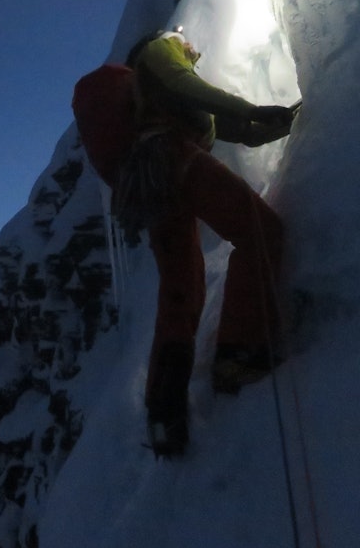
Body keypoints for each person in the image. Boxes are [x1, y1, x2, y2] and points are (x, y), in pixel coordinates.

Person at [121, 27, 296, 458]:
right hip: (174, 159)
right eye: (182, 35)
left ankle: (164, 412)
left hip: (152, 180)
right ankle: (238, 353)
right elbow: (188, 86)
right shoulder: (159, 52)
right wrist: (253, 107)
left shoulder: (160, 98)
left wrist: (272, 123)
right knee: (262, 232)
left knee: (183, 286)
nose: (188, 40)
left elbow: (233, 127)